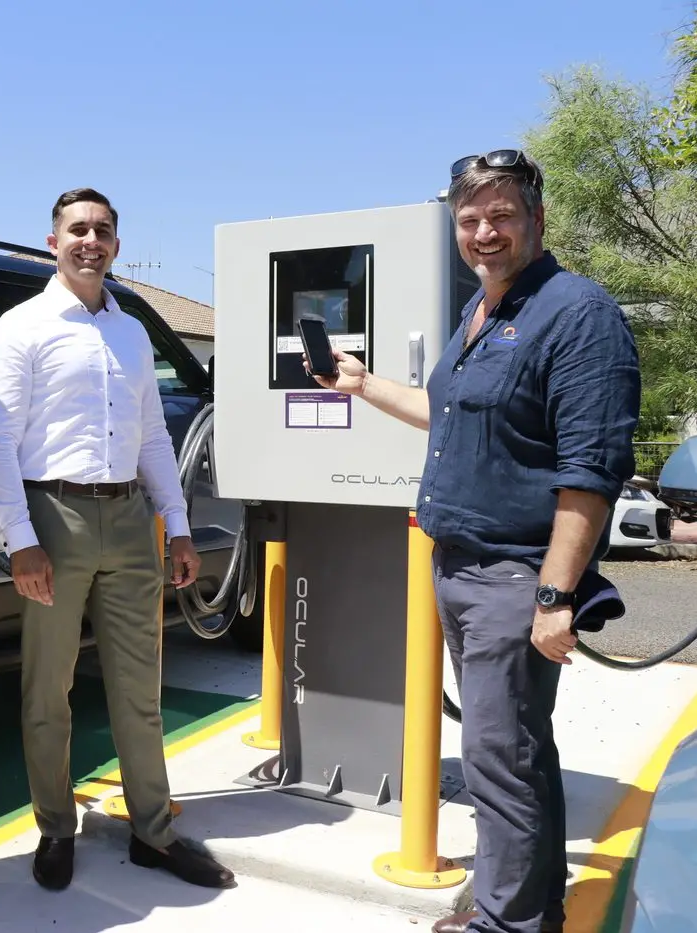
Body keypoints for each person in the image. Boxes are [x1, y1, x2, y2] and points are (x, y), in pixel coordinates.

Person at [306, 149, 640, 933]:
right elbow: (447, 411)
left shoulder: (576, 314)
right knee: (514, 755)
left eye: (500, 215)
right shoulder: (481, 311)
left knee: (501, 761)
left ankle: (508, 923)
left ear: (536, 219)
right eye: (469, 219)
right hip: (458, 568)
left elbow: (588, 473)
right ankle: (522, 909)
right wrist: (360, 384)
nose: (483, 232)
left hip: (513, 577)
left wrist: (555, 595)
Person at [0, 187, 237, 892]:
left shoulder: (129, 332)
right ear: (52, 241)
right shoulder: (22, 327)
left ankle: (152, 831)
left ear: (116, 244)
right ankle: (56, 827)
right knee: (48, 689)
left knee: (137, 687)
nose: (89, 241)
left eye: (102, 230)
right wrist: (21, 539)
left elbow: (152, 434)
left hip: (128, 520)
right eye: (76, 230)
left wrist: (177, 525)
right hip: (52, 519)